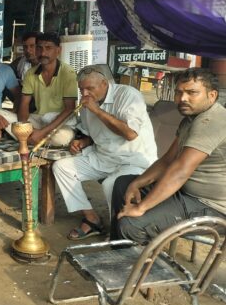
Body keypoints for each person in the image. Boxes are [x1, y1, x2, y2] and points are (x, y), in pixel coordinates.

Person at [112, 69, 226, 242]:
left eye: (192, 92)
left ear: (212, 95)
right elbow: (168, 160)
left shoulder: (212, 121)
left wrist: (141, 207)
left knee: (131, 224)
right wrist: (137, 183)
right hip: (186, 194)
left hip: (211, 207)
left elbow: (180, 171)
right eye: (179, 92)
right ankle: (121, 249)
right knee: (124, 184)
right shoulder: (190, 118)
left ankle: (131, 263)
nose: (183, 98)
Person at [52, 66, 157, 240]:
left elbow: (130, 133)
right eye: (81, 89)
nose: (85, 93)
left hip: (133, 160)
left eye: (90, 89)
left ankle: (121, 233)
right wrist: (82, 142)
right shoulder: (88, 103)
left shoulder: (128, 95)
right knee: (62, 168)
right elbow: (92, 134)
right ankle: (92, 219)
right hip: (103, 157)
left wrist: (97, 110)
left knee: (111, 184)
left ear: (104, 83)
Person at [17, 32, 78, 147]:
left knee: (61, 138)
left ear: (58, 51)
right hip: (38, 120)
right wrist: (24, 126)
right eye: (39, 48)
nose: (43, 53)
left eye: (48, 48)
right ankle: (35, 138)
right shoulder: (30, 73)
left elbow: (70, 109)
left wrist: (41, 132)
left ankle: (32, 138)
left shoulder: (68, 73)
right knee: (2, 116)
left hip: (61, 123)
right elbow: (24, 104)